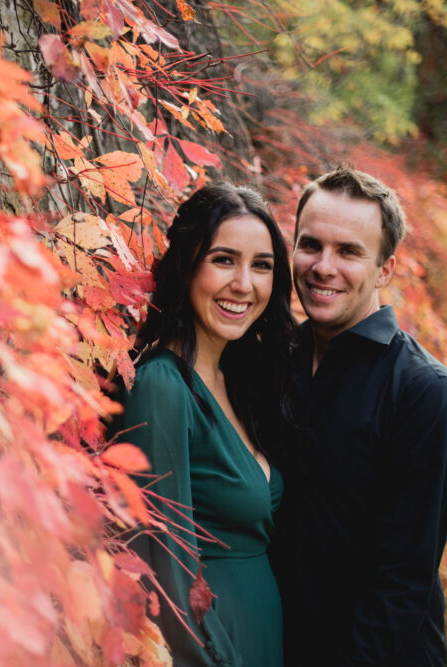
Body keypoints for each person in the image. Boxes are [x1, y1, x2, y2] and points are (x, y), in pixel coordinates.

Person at [271, 166, 447, 666]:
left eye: (348, 251)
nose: (322, 266)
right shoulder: (276, 363)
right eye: (310, 244)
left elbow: (401, 588)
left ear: (385, 269)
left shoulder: (426, 395)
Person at [111, 184, 296, 665]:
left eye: (261, 265)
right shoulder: (161, 385)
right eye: (223, 260)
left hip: (262, 638)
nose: (244, 284)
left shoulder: (239, 380)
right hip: (215, 647)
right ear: (187, 265)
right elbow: (164, 565)